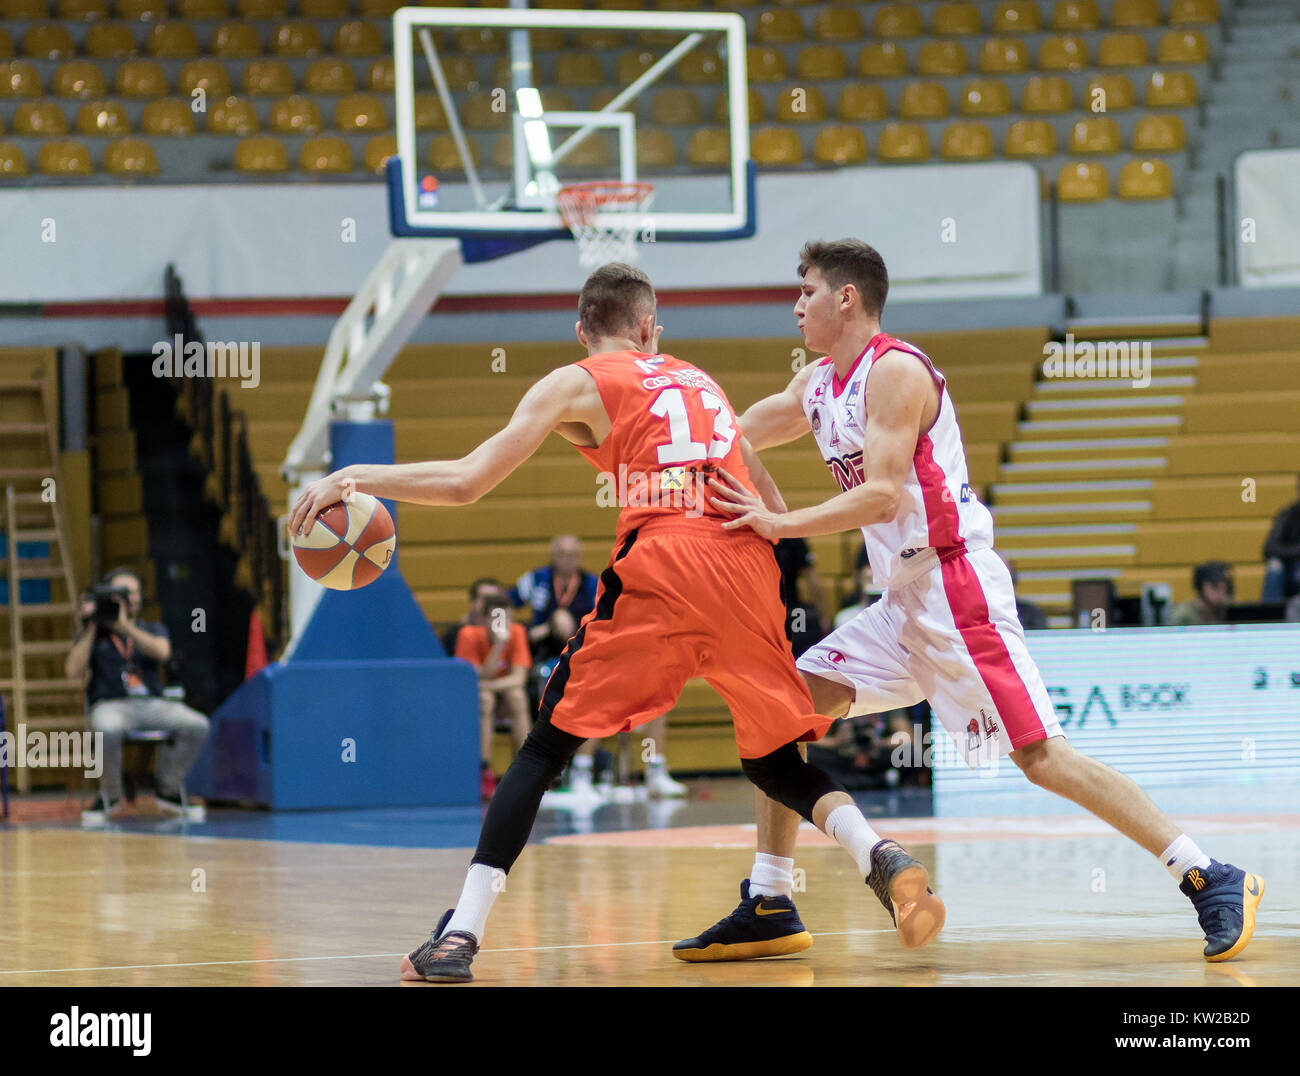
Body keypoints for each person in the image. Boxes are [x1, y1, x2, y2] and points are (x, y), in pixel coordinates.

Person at [290, 263, 946, 983]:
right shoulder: (701, 380)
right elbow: (767, 492)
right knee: (771, 758)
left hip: (666, 565)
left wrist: (357, 477)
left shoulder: (576, 379)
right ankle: (878, 854)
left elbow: (467, 481)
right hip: (749, 565)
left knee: (544, 747)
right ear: (647, 326)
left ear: (583, 331)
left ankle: (460, 937)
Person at [680, 238, 1264, 965]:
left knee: (1043, 757)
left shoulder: (895, 372)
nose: (796, 306)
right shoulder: (815, 387)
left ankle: (1209, 874)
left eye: (805, 291)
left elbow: (884, 491)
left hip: (956, 589)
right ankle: (769, 898)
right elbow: (730, 431)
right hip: (900, 603)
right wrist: (671, 434)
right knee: (782, 708)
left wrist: (777, 522)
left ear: (846, 299)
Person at [512, 536, 685, 797]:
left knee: (658, 696)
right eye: (561, 553)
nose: (567, 559)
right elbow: (501, 610)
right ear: (552, 554)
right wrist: (537, 631)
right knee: (594, 692)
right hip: (546, 657)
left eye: (573, 554)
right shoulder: (534, 580)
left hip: (587, 654)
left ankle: (654, 769)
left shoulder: (595, 583)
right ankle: (581, 772)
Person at [65, 567, 209, 816]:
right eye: (122, 592)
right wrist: (89, 626)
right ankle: (110, 795)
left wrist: (125, 627)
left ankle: (169, 789)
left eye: (133, 593)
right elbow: (71, 670)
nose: (129, 598)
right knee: (105, 727)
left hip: (152, 704)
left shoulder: (151, 627)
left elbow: (163, 652)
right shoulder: (95, 634)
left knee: (198, 724)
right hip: (111, 705)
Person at [454, 593, 532, 799]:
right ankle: (484, 770)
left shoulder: (518, 632)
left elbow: (518, 679)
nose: (502, 624)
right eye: (496, 617)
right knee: (485, 701)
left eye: (506, 618)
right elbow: (473, 678)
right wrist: (498, 646)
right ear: (483, 620)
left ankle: (526, 769)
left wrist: (488, 685)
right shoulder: (468, 635)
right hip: (477, 698)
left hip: (502, 692)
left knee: (517, 697)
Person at [1261, 473, 1300, 601]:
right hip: (1291, 574)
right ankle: (1270, 616)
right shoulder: (1289, 514)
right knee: (1274, 566)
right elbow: (1269, 548)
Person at [1170, 561, 1234, 626]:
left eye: (1227, 586)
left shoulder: (1230, 611)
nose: (1222, 591)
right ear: (1202, 587)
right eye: (1215, 586)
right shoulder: (1184, 616)